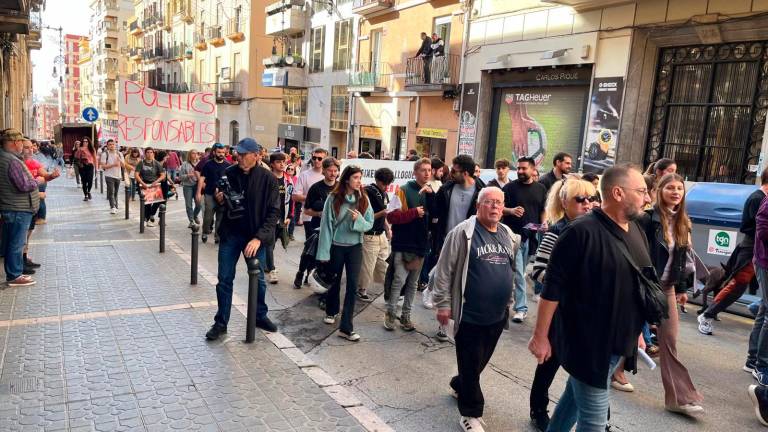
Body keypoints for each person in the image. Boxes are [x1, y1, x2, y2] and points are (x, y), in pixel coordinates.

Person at [529, 164, 651, 432]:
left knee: (569, 406)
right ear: (618, 193)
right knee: (594, 424)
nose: (647, 197)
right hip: (586, 345)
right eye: (642, 191)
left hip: (616, 343)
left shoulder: (637, 230)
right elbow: (552, 288)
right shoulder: (579, 232)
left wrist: (637, 330)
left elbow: (636, 284)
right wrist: (540, 336)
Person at [432, 187, 520, 432]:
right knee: (471, 362)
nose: (495, 207)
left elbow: (510, 272)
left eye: (499, 203)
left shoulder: (508, 234)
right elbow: (444, 271)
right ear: (478, 205)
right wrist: (443, 304)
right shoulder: (462, 234)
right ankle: (470, 413)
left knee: (478, 362)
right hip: (468, 314)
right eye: (489, 202)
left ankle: (460, 384)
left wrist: (510, 302)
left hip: (496, 315)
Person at [527, 178, 597, 431]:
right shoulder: (556, 232)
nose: (587, 204)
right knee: (548, 364)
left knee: (585, 369)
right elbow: (538, 271)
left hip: (584, 314)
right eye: (581, 199)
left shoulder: (595, 230)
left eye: (591, 198)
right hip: (558, 312)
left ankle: (600, 416)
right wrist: (568, 282)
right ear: (565, 203)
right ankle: (538, 409)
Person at [637, 173, 704, 414]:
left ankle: (677, 399)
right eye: (670, 188)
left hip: (667, 288)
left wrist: (682, 289)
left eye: (680, 188)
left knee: (670, 340)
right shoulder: (646, 220)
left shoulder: (683, 221)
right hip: (641, 285)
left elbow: (682, 259)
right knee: (623, 338)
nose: (676, 192)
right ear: (659, 191)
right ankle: (612, 374)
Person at [205, 138, 280, 341]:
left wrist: (258, 239)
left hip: (254, 237)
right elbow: (222, 203)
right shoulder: (229, 173)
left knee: (259, 280)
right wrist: (221, 201)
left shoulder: (269, 179)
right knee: (224, 280)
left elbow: (273, 214)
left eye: (244, 154)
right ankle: (221, 323)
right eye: (238, 153)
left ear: (256, 156)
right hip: (231, 234)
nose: (239, 157)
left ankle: (259, 316)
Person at [697, 167, 768, 335]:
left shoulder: (761, 198)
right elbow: (750, 227)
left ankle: (757, 307)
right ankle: (707, 315)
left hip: (757, 250)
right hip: (751, 250)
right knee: (737, 286)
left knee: (741, 287)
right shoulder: (757, 198)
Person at [316, 165, 374, 342]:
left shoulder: (363, 197)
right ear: (347, 179)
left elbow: (370, 223)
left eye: (360, 177)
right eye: (355, 177)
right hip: (336, 246)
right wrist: (323, 253)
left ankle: (346, 327)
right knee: (334, 281)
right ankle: (331, 310)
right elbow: (326, 226)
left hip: (355, 246)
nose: (358, 181)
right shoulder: (334, 198)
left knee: (352, 286)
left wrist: (360, 220)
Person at [384, 159, 433, 331]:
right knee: (399, 280)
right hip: (403, 244)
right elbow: (391, 217)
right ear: (415, 172)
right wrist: (413, 213)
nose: (427, 173)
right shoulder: (403, 190)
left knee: (413, 284)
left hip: (420, 246)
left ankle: (406, 316)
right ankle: (390, 314)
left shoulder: (430, 192)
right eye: (423, 170)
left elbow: (435, 218)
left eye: (429, 170)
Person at [502, 156, 547, 323]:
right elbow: (499, 208)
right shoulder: (509, 188)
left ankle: (508, 302)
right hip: (513, 237)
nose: (520, 171)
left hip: (531, 238)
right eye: (518, 168)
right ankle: (521, 308)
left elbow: (542, 209)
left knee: (518, 273)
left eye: (523, 168)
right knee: (519, 274)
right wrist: (511, 211)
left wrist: (543, 222)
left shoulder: (540, 189)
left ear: (533, 169)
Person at [0, 129, 41, 287]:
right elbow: (24, 185)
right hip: (17, 208)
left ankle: (14, 272)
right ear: (15, 143)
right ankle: (14, 275)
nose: (22, 147)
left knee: (13, 242)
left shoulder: (5, 157)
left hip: (12, 207)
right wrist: (37, 180)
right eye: (21, 144)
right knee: (16, 243)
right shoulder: (11, 160)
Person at [294, 157, 339, 289]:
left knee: (327, 257)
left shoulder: (340, 187)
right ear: (324, 171)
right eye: (330, 170)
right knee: (310, 252)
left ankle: (316, 278)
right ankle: (301, 272)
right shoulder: (316, 188)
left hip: (334, 228)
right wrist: (320, 214)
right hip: (317, 225)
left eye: (335, 171)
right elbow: (306, 210)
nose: (333, 174)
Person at [431, 154, 483, 254]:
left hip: (470, 245)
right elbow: (434, 211)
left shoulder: (482, 192)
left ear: (465, 173)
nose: (451, 173)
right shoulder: (446, 189)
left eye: (454, 171)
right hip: (446, 243)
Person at [21, 138, 57, 274]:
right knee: (20, 236)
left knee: (28, 233)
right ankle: (19, 262)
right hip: (22, 205)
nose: (31, 149)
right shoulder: (17, 164)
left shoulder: (33, 162)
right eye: (27, 147)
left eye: (32, 147)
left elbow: (45, 176)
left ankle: (24, 258)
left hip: (32, 205)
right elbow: (20, 186)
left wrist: (52, 175)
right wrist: (37, 191)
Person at [358, 167, 394, 302]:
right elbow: (364, 217)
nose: (386, 187)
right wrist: (382, 213)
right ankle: (361, 289)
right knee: (368, 265)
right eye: (384, 184)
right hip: (369, 234)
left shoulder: (384, 194)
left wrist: (387, 228)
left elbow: (385, 214)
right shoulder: (367, 192)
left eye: (388, 184)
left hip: (381, 234)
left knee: (384, 263)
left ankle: (389, 287)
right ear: (377, 180)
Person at [264, 152, 294, 284]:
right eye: (278, 162)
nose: (282, 164)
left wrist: (290, 216)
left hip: (282, 217)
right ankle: (272, 270)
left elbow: (291, 199)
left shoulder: (288, 180)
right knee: (270, 244)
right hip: (270, 217)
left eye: (284, 162)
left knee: (274, 243)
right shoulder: (268, 178)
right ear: (272, 164)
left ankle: (265, 264)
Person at [749, 188, 768, 386]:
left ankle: (753, 359)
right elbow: (762, 230)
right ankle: (762, 366)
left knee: (764, 308)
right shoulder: (765, 201)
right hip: (765, 262)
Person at [197, 143, 231, 244]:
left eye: (223, 153)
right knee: (208, 215)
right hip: (209, 193)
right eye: (219, 152)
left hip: (222, 194)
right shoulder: (208, 164)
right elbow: (202, 178)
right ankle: (205, 232)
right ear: (214, 152)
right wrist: (198, 192)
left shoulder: (227, 165)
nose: (221, 154)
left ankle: (218, 236)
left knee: (220, 216)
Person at [293, 148, 328, 240]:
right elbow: (295, 196)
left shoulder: (330, 175)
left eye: (320, 158)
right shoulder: (304, 175)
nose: (316, 160)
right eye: (314, 158)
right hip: (309, 217)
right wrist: (312, 198)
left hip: (328, 218)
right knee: (311, 246)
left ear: (325, 160)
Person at [134, 147, 166, 227]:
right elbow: (136, 175)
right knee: (147, 203)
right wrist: (142, 183)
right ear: (145, 154)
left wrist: (156, 181)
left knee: (157, 201)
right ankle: (147, 219)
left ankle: (150, 215)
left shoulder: (157, 163)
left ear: (153, 153)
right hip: (144, 184)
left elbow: (162, 175)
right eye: (148, 152)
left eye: (151, 152)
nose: (149, 154)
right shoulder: (141, 163)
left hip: (154, 185)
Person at [99, 139, 124, 215]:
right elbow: (103, 166)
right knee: (111, 192)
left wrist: (120, 161)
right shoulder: (105, 154)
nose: (112, 146)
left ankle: (115, 206)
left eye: (113, 144)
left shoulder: (119, 154)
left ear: (115, 145)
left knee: (116, 192)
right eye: (110, 144)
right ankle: (112, 207)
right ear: (107, 145)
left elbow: (124, 165)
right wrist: (113, 165)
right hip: (109, 175)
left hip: (118, 176)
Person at [179, 150, 202, 227]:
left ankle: (195, 215)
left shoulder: (201, 163)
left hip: (197, 185)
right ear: (189, 155)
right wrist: (188, 175)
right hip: (187, 186)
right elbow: (180, 177)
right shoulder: (185, 164)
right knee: (188, 204)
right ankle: (191, 220)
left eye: (196, 153)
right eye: (193, 153)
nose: (195, 155)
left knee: (199, 204)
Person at [75, 137, 96, 201]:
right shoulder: (80, 149)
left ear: (89, 142)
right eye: (84, 141)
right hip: (83, 166)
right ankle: (86, 195)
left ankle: (89, 191)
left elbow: (95, 159)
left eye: (86, 141)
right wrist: (80, 165)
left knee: (90, 181)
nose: (85, 143)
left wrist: (96, 168)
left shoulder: (92, 149)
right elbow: (76, 159)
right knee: (84, 182)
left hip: (90, 166)